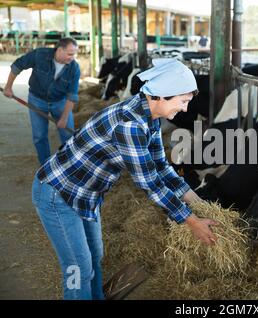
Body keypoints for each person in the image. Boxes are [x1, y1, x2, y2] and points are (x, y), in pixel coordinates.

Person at [31, 58, 218, 300]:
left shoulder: (149, 118)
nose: (184, 109)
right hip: (58, 193)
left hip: (87, 196)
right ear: (161, 96)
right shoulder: (130, 124)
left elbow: (161, 166)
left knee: (94, 258)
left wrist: (197, 202)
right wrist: (192, 222)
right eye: (183, 102)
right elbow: (149, 183)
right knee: (78, 266)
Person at [3, 37, 80, 165]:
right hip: (37, 100)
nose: (72, 57)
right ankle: (46, 166)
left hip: (59, 102)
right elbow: (18, 65)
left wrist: (64, 118)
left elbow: (72, 96)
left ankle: (70, 165)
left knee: (68, 135)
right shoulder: (40, 55)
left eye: (74, 54)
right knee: (39, 136)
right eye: (70, 54)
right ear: (60, 50)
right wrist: (8, 87)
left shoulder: (74, 68)